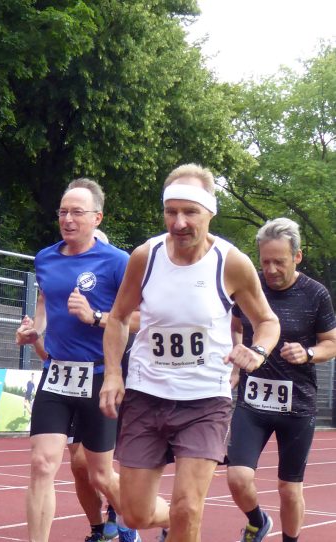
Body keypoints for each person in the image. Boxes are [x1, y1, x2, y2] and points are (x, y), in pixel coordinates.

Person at [99, 163, 280, 542]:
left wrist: (258, 351)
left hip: (204, 401)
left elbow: (267, 321)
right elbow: (117, 318)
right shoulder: (145, 257)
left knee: (188, 506)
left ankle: (179, 521)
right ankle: (170, 522)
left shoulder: (231, 263)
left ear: (210, 212)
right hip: (147, 394)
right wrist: (114, 374)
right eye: (171, 211)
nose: (179, 222)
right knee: (134, 512)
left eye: (190, 212)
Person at [15, 179, 140, 542]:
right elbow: (44, 306)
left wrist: (96, 316)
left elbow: (141, 320)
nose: (68, 219)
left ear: (97, 218)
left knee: (98, 473)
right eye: (63, 212)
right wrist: (33, 332)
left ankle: (150, 517)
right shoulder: (45, 258)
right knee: (42, 463)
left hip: (100, 375)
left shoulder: (119, 262)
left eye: (77, 213)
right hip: (56, 374)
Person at [226, 218, 336, 542]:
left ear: (297, 257)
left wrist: (308, 353)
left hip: (297, 404)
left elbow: (331, 342)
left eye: (280, 262)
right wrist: (237, 357)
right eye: (265, 261)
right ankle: (258, 521)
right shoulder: (250, 287)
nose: (271, 269)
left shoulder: (316, 294)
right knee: (237, 477)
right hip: (252, 401)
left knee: (289, 489)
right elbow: (234, 323)